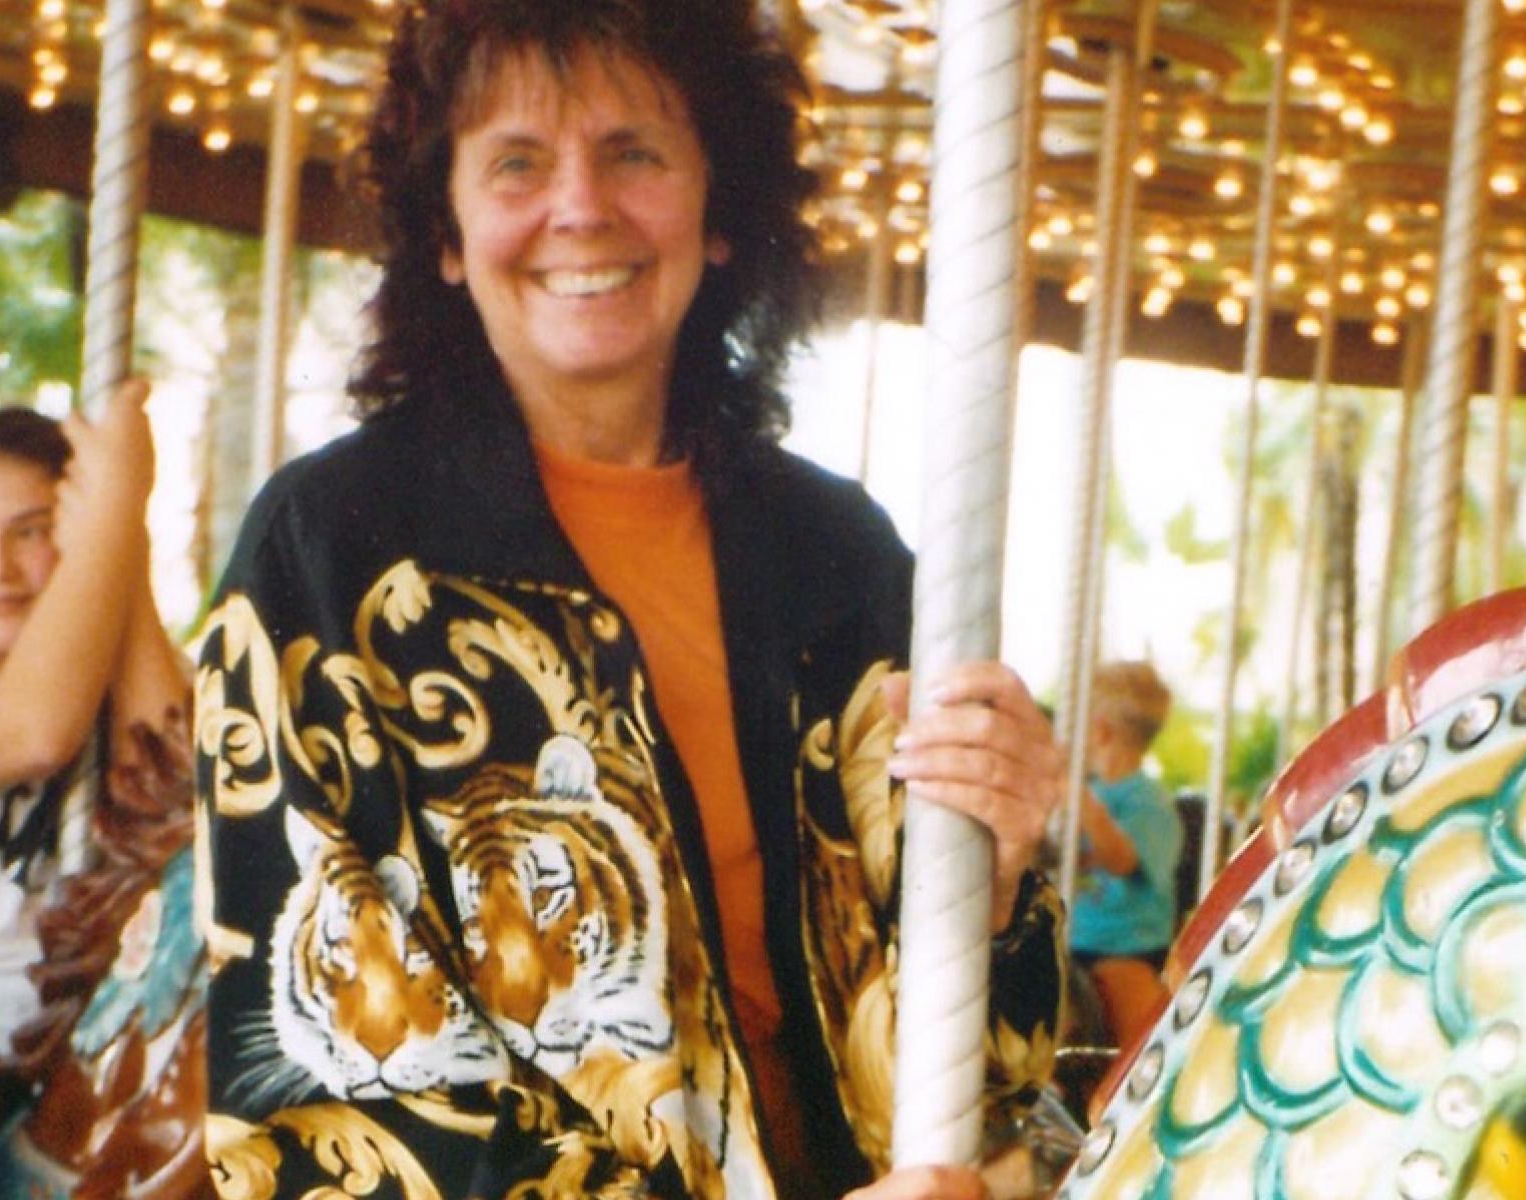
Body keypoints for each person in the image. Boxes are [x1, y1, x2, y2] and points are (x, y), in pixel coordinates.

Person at [189, 2, 1064, 1197]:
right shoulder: (333, 554)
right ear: (445, 232)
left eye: (634, 152)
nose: (581, 207)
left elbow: (985, 1081)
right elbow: (326, 1091)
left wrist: (997, 872)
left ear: (717, 212)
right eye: (517, 162)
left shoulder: (838, 557)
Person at [0, 387, 184, 1159]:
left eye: (34, 531)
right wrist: (115, 504)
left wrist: (125, 547)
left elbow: (174, 798)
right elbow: (35, 730)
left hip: (76, 1030)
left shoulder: (109, 670)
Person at [1067, 662, 1181, 1047]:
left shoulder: (1147, 801)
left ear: (1099, 731)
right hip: (1069, 941)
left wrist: (1076, 798)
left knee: (1136, 1048)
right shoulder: (1086, 794)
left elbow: (1123, 859)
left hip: (1124, 950)